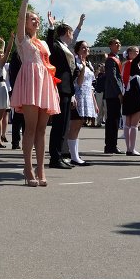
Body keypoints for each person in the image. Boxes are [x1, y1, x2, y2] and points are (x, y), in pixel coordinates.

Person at [9, 0, 61, 187]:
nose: (35, 21)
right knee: (29, 129)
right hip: (30, 83)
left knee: (41, 130)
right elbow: (21, 19)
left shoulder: (43, 43)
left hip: (45, 83)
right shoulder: (23, 41)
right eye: (33, 19)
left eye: (37, 19)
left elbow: (48, 65)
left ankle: (41, 168)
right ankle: (28, 168)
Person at [47, 15, 81, 170]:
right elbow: (48, 46)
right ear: (67, 32)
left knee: (64, 126)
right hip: (59, 88)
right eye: (71, 32)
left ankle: (59, 155)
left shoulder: (67, 48)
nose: (72, 35)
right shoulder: (56, 45)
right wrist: (51, 28)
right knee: (59, 125)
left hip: (67, 90)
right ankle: (55, 157)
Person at [66, 39, 96, 166]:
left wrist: (94, 103)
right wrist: (83, 68)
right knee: (74, 126)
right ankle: (73, 156)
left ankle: (75, 155)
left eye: (87, 48)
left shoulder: (89, 64)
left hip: (87, 97)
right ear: (77, 50)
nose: (86, 50)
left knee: (78, 127)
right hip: (77, 96)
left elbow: (91, 86)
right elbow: (78, 82)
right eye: (83, 47)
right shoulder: (75, 62)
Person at [102, 38, 124, 153]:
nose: (118, 44)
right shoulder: (111, 60)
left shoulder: (116, 58)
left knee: (114, 120)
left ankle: (111, 145)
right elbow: (113, 77)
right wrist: (119, 93)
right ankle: (111, 145)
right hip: (113, 94)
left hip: (113, 93)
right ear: (110, 46)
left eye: (119, 43)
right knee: (113, 121)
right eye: (116, 43)